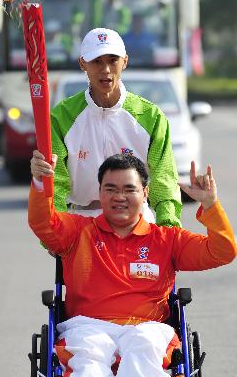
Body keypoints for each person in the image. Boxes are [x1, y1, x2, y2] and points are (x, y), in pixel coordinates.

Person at [29, 151, 237, 377]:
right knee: (88, 352)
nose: (119, 197)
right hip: (88, 324)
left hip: (147, 326)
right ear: (99, 193)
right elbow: (42, 222)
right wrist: (39, 181)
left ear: (145, 193)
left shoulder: (167, 240)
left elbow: (223, 251)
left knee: (144, 345)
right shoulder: (78, 232)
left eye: (129, 189)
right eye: (110, 189)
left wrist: (210, 205)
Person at [51, 27, 182, 227]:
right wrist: (56, 231)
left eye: (112, 60)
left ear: (125, 62)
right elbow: (55, 182)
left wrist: (169, 228)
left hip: (137, 225)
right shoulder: (62, 116)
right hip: (82, 226)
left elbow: (163, 180)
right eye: (96, 61)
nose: (106, 70)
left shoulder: (150, 117)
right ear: (83, 64)